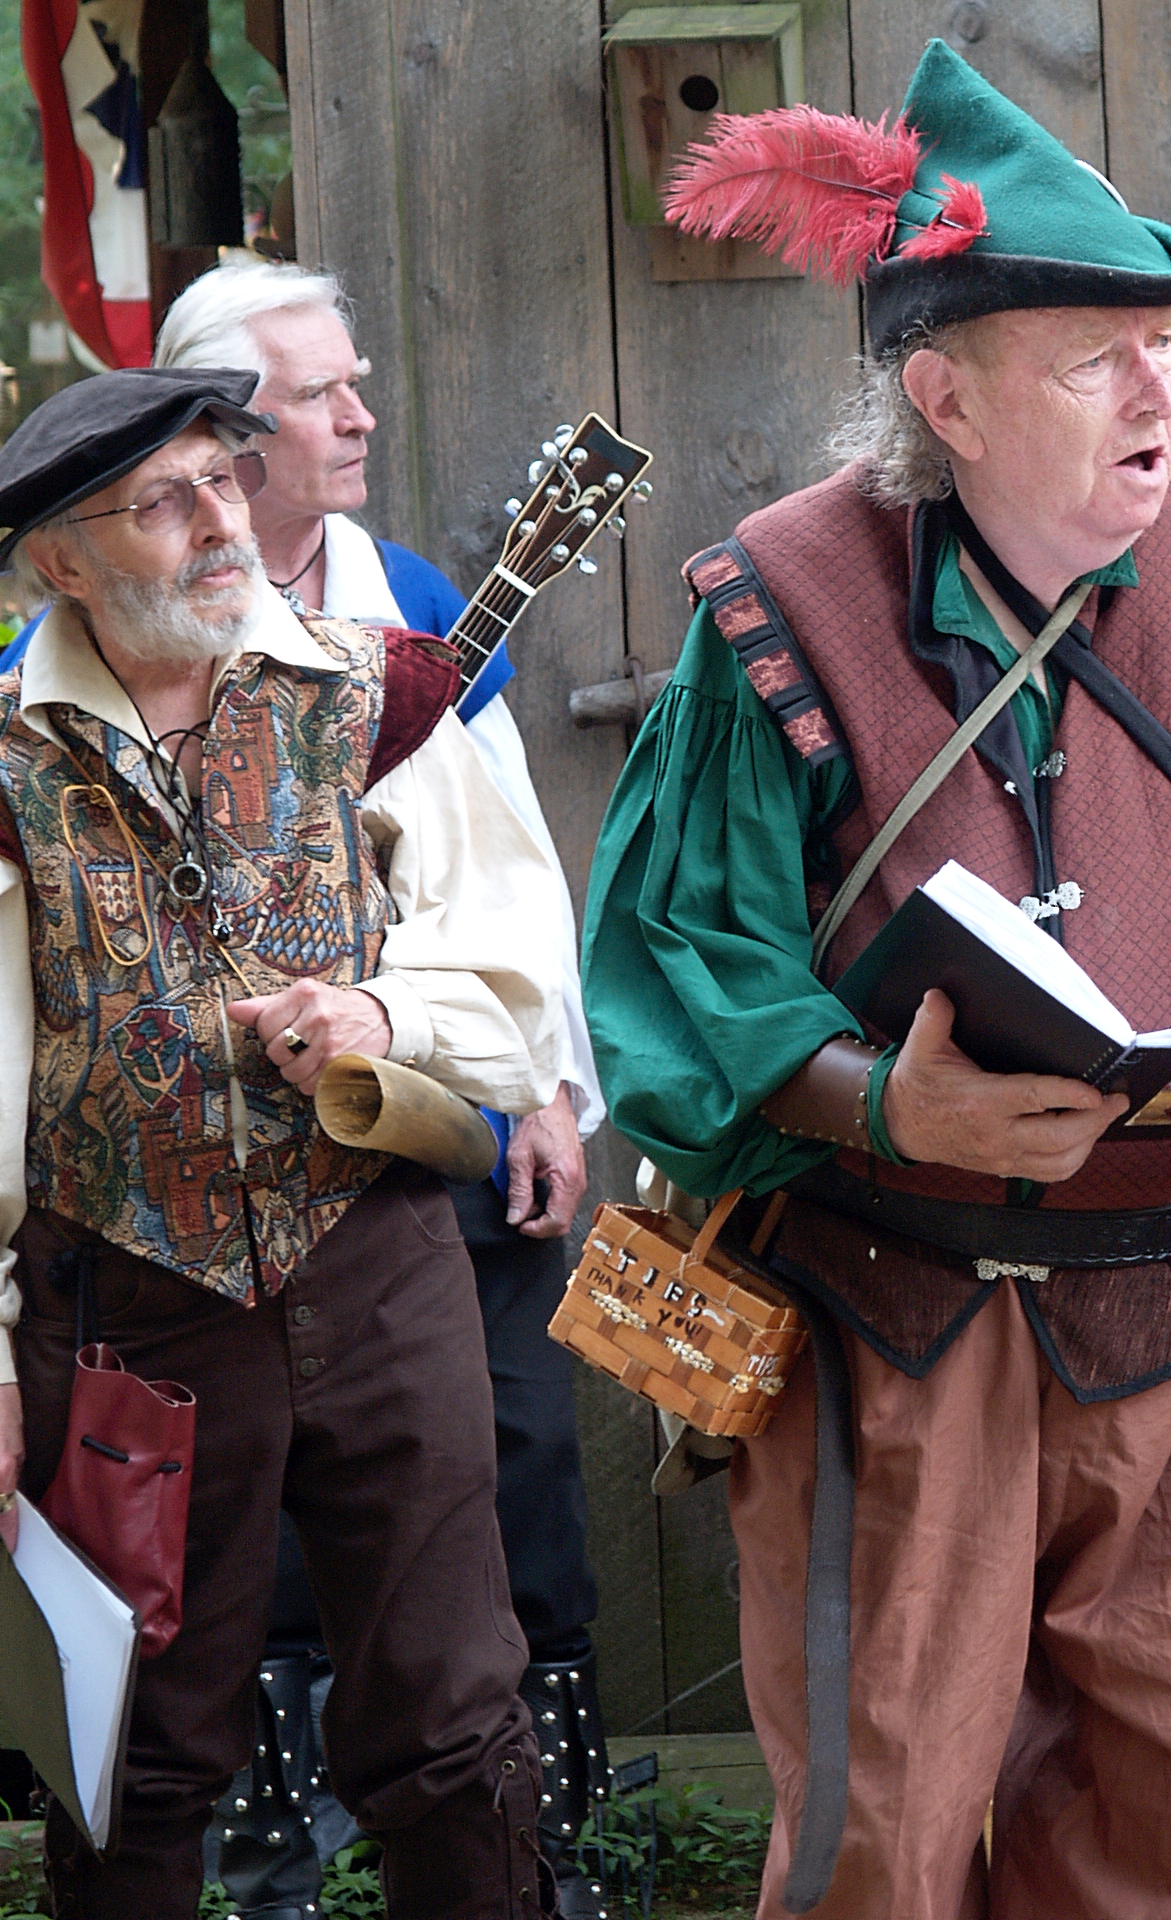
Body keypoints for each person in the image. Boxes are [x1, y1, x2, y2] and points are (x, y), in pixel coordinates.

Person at [582, 41, 1171, 1920]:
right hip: (891, 1331)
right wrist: (887, 1104)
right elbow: (687, 965)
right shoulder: (778, 605)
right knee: (879, 1850)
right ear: (946, 398)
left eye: (1167, 347)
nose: (1159, 391)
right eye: (1094, 360)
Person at [0, 367, 573, 1916]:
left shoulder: (373, 689)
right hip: (128, 1306)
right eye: (161, 502)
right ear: (61, 561)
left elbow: (518, 958)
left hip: (376, 1266)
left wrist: (386, 1012)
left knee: (453, 1718)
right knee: (135, 1747)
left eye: (223, 480)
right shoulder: (6, 764)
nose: (217, 523)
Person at [143, 261, 611, 1915]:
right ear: (222, 430)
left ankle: (537, 1842)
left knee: (516, 1463)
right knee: (252, 1519)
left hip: (436, 1112)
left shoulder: (411, 597)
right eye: (320, 392)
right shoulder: (108, 628)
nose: (360, 415)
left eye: (357, 380)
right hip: (214, 1159)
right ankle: (278, 1856)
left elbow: (513, 874)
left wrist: (547, 1091)